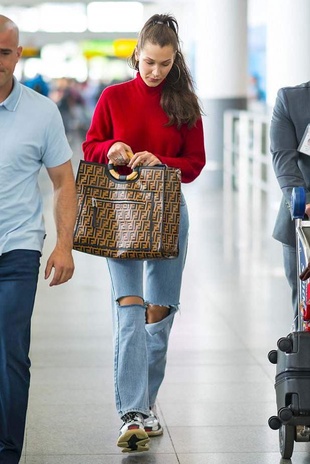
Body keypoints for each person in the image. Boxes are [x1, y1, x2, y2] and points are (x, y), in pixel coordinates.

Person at [83, 13, 206, 453]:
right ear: (137, 54)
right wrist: (110, 148)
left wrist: (162, 162)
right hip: (120, 212)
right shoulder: (113, 97)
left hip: (169, 210)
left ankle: (146, 406)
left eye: (165, 64)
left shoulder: (184, 103)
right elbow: (90, 146)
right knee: (130, 307)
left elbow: (195, 163)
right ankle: (132, 411)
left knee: (159, 312)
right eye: (149, 62)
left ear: (175, 60)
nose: (155, 72)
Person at [0, 15, 77, 463]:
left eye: (4, 53)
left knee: (10, 352)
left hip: (17, 246)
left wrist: (63, 244)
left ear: (18, 55)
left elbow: (64, 181)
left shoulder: (41, 112)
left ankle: (8, 451)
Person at [270, 80, 310, 328]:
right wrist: (303, 201)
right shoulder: (291, 99)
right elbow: (283, 160)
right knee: (305, 310)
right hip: (302, 221)